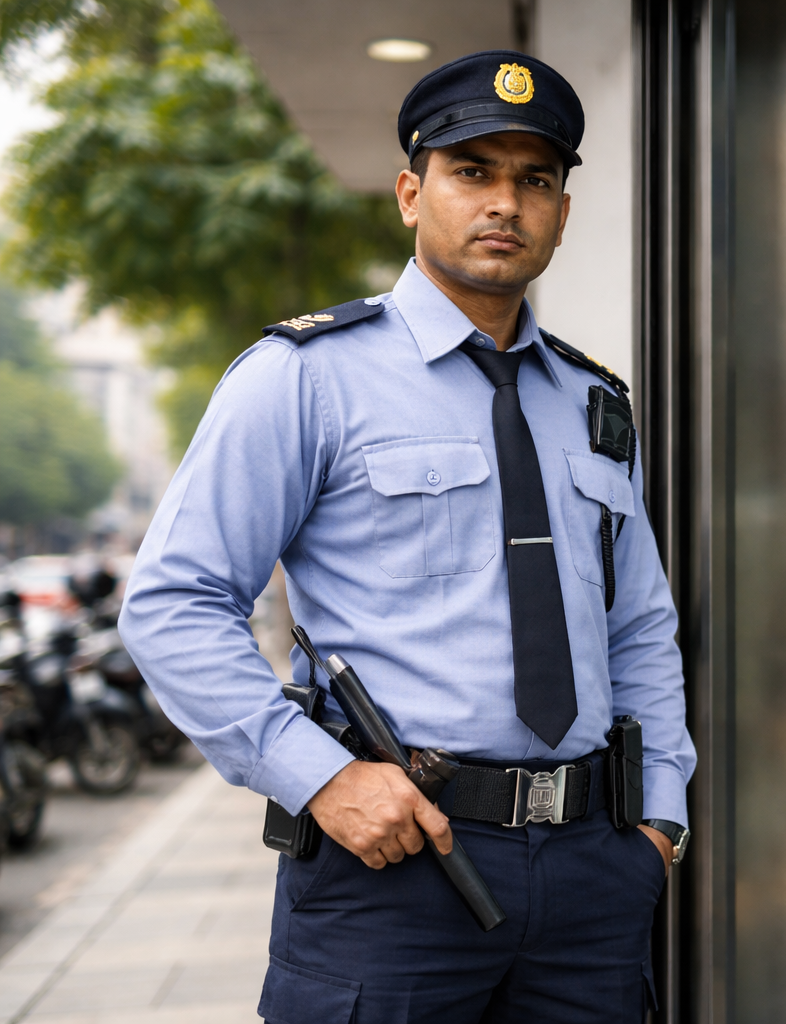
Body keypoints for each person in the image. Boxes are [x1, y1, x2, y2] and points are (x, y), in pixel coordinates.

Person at [118, 50, 694, 1024]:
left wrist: (659, 822)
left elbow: (637, 624)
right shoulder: (302, 375)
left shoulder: (598, 402)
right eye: (473, 171)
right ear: (409, 192)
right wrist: (321, 777)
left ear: (561, 209)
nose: (505, 202)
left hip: (594, 879)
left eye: (535, 179)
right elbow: (172, 604)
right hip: (391, 875)